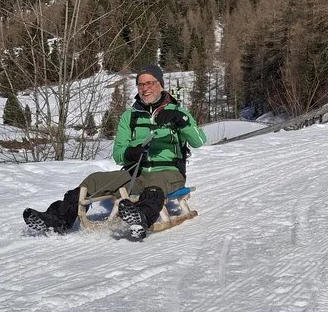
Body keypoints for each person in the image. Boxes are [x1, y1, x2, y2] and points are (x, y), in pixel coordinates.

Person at [23, 64, 207, 238]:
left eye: (150, 83)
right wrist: (130, 153)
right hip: (136, 172)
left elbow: (199, 141)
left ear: (160, 84)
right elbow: (118, 153)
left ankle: (140, 217)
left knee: (154, 189)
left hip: (168, 172)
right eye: (141, 84)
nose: (145, 88)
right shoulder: (129, 117)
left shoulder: (178, 112)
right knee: (94, 180)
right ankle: (58, 218)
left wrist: (181, 119)